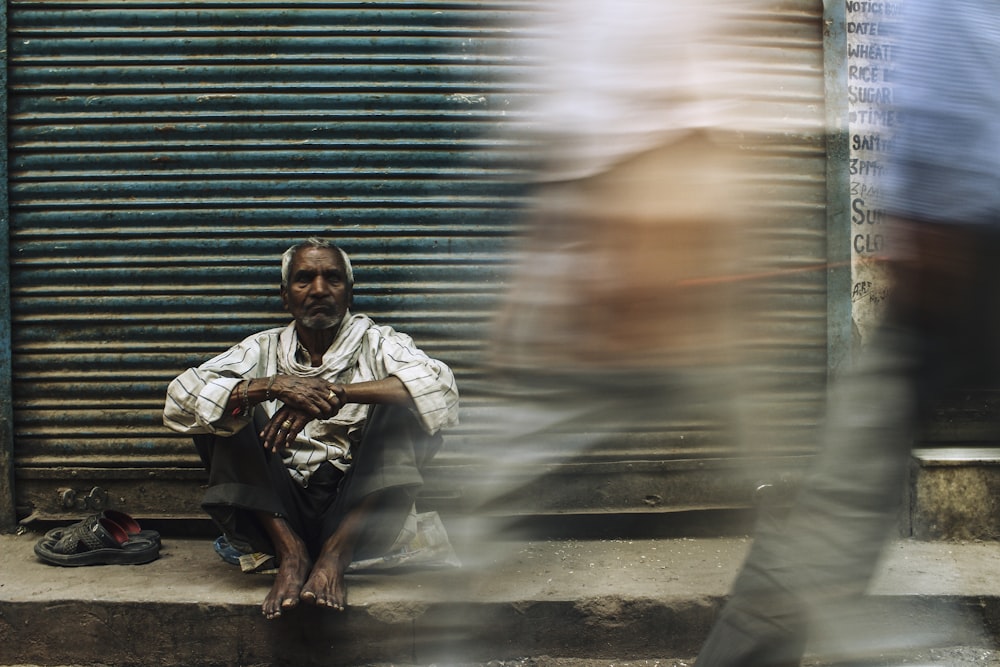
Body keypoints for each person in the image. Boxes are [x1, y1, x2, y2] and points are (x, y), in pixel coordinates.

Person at [694, 1, 1000, 663]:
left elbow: (957, 55)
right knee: (843, 495)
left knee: (843, 494)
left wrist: (939, 207)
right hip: (967, 224)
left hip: (969, 230)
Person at [163, 238, 460, 620]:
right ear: (285, 296)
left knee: (408, 397)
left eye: (332, 279)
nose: (319, 289)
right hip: (279, 515)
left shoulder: (378, 342)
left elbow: (441, 388)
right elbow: (179, 400)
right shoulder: (261, 348)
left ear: (349, 292)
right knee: (221, 403)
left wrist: (339, 394)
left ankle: (336, 553)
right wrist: (270, 386)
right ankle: (292, 554)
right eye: (304, 279)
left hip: (361, 513)